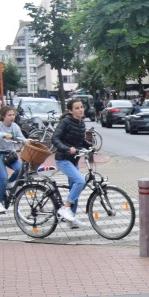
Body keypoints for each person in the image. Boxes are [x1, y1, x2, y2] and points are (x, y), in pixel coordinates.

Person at [51, 98, 90, 228]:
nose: (80, 110)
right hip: (63, 159)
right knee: (80, 181)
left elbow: (80, 140)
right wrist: (67, 149)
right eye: (77, 108)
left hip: (74, 160)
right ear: (70, 111)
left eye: (81, 107)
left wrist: (90, 146)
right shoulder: (65, 122)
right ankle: (65, 208)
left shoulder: (81, 122)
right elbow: (54, 138)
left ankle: (70, 219)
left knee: (75, 189)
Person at [0, 105, 26, 215]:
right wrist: (5, 135)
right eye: (9, 115)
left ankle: (10, 183)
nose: (12, 117)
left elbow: (21, 137)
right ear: (3, 116)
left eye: (14, 115)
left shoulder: (15, 126)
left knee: (20, 170)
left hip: (10, 154)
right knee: (3, 176)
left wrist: (28, 141)